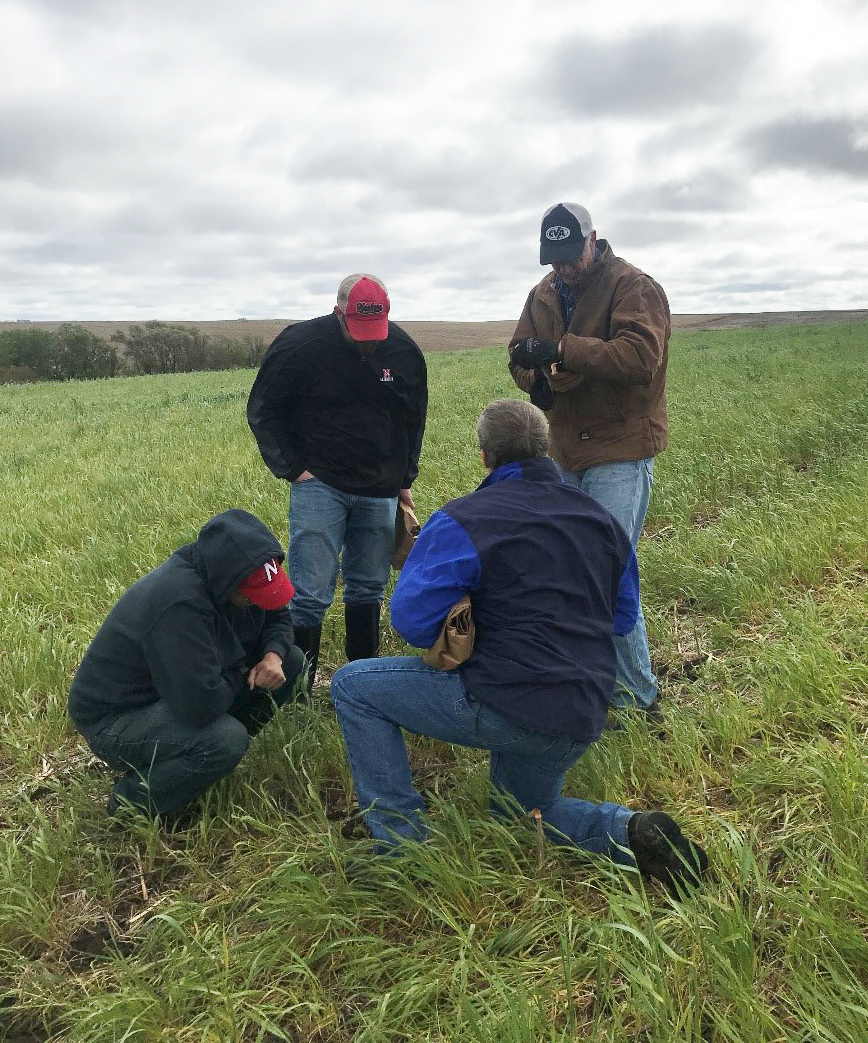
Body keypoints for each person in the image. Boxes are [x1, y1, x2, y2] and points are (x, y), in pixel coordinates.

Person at [330, 400, 707, 894]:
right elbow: (620, 619)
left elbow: (412, 620)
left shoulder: (464, 519)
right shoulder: (601, 521)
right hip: (580, 713)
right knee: (522, 814)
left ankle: (402, 850)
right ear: (547, 447)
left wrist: (474, 622)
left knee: (353, 685)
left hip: (506, 699)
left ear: (485, 456)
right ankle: (631, 831)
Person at [508, 203, 670, 720]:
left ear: (593, 240)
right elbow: (518, 353)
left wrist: (562, 349)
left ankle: (636, 698)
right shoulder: (543, 293)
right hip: (565, 449)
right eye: (552, 260)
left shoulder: (633, 286)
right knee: (569, 569)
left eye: (570, 257)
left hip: (620, 446)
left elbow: (640, 357)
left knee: (607, 569)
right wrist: (537, 379)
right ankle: (586, 682)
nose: (563, 269)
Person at [247, 274, 428, 682]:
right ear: (338, 314)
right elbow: (263, 409)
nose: (369, 342)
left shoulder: (404, 352)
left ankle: (361, 683)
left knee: (367, 588)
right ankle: (300, 687)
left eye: (376, 332)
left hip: (379, 488)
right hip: (320, 486)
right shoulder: (299, 346)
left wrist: (404, 477)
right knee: (310, 594)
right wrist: (294, 469)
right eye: (359, 332)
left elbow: (412, 420)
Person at [68, 509, 304, 818]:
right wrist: (246, 674)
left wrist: (272, 654)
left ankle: (197, 766)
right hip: (115, 719)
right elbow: (200, 704)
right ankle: (130, 804)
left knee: (291, 660)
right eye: (251, 594)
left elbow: (279, 616)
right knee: (226, 739)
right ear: (227, 580)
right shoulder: (179, 605)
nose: (257, 601)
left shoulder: (233, 576)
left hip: (176, 693)